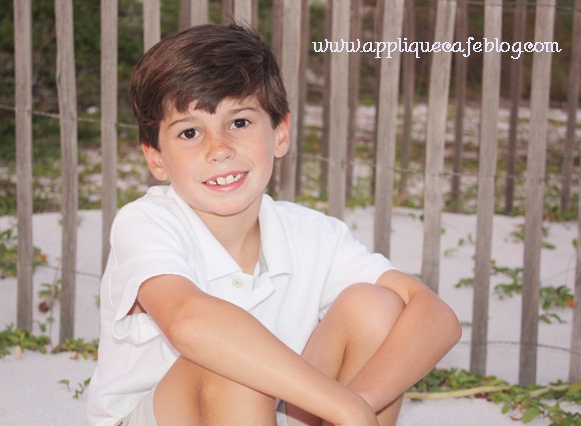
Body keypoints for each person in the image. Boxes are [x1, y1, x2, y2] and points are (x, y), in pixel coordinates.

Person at [86, 23, 461, 426]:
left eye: (239, 123)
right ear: (156, 158)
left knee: (376, 307)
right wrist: (344, 407)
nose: (219, 149)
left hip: (272, 413)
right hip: (161, 415)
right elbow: (186, 320)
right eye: (190, 132)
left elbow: (436, 317)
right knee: (228, 362)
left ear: (280, 133)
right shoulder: (147, 222)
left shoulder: (312, 234)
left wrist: (358, 405)